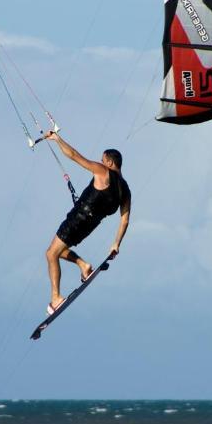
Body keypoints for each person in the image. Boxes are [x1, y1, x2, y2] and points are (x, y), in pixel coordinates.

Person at [44, 132, 131, 314]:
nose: (100, 162)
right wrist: (116, 243)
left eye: (102, 159)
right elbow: (124, 219)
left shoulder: (103, 171)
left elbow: (74, 155)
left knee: (51, 254)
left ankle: (56, 298)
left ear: (109, 162)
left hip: (78, 218)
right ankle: (83, 266)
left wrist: (57, 139)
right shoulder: (125, 190)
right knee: (59, 251)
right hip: (90, 226)